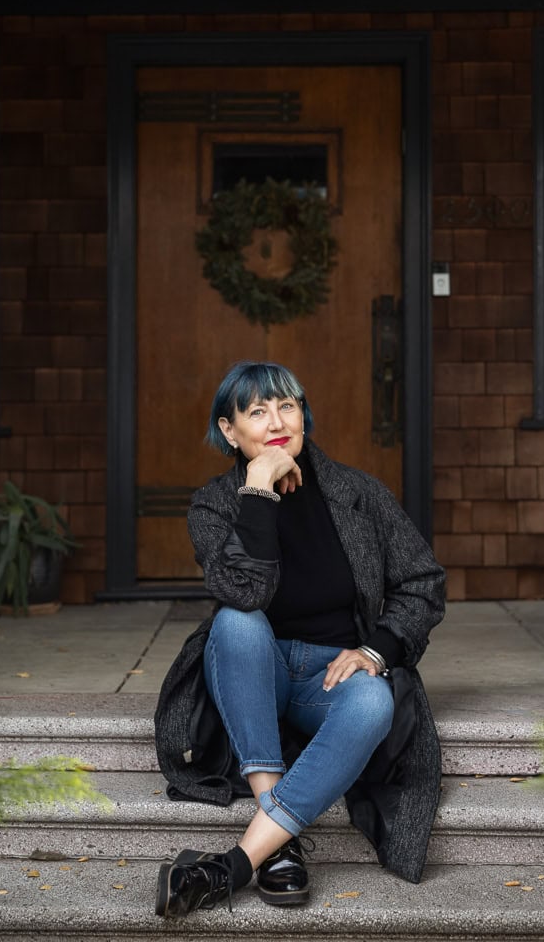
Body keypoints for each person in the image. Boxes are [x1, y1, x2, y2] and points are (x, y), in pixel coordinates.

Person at [154, 360, 445, 919]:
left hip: (327, 676)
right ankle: (277, 843)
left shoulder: (359, 493)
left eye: (287, 406)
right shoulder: (214, 504)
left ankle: (240, 862)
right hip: (250, 669)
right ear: (229, 430)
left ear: (303, 415)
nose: (276, 421)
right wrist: (258, 488)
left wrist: (376, 649)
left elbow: (422, 582)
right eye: (256, 411)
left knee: (373, 701)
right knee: (237, 620)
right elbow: (244, 591)